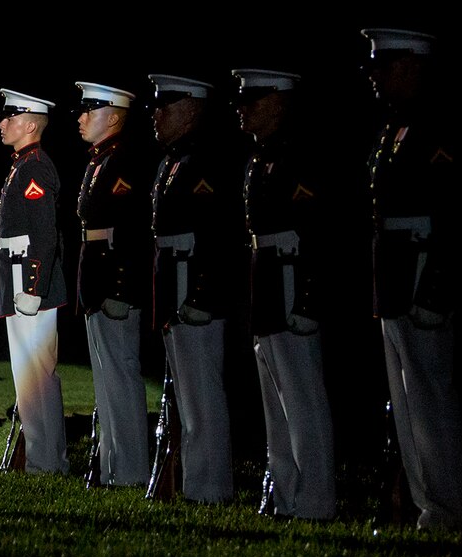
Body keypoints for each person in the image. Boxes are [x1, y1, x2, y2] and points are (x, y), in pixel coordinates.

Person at [359, 28, 462, 531]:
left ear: (411, 67)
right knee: (407, 397)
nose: (376, 76)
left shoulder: (434, 125)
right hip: (397, 268)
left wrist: (438, 283)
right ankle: (427, 504)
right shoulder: (395, 128)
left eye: (385, 66)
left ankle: (446, 505)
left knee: (430, 392)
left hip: (422, 265)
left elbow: (452, 210)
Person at [232, 67, 336, 520]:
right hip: (269, 281)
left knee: (303, 399)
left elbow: (317, 231)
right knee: (276, 402)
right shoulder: (261, 156)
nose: (243, 108)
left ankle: (315, 500)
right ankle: (284, 495)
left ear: (277, 101)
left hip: (292, 282)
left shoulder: (300, 154)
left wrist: (308, 298)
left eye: (252, 100)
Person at [148, 73, 246, 503]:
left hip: (193, 284)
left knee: (203, 394)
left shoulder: (206, 159)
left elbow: (218, 232)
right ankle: (197, 484)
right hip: (175, 283)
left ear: (190, 110)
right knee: (187, 396)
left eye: (166, 107)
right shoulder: (174, 159)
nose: (157, 114)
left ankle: (211, 487)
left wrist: (202, 292)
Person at [72, 82, 151, 487]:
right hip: (97, 276)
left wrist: (121, 287)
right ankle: (112, 465)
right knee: (106, 381)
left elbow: (133, 229)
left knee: (120, 375)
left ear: (115, 117)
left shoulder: (124, 159)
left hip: (114, 278)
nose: (81, 118)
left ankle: (132, 469)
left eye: (91, 111)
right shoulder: (99, 160)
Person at [0, 89, 69, 476]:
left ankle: (48, 462)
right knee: (28, 375)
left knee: (38, 374)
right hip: (17, 272)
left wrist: (35, 287)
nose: (2, 123)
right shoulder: (21, 165)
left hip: (29, 276)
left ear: (29, 124)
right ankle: (40, 457)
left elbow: (44, 232)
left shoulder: (36, 165)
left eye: (9, 118)